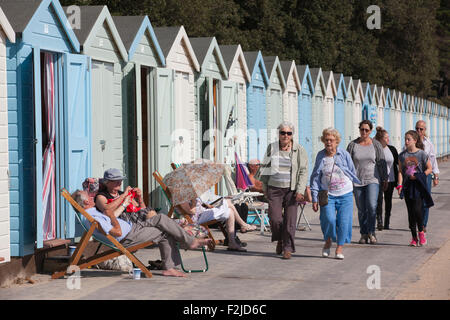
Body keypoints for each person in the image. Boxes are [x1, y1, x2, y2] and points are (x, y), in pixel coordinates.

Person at [72, 190, 211, 278]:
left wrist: (123, 204)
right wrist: (111, 215)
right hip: (128, 237)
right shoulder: (92, 217)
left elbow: (111, 217)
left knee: (161, 218)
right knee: (163, 231)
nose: (91, 196)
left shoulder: (92, 213)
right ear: (86, 201)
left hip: (133, 228)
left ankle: (186, 245)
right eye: (88, 195)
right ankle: (180, 254)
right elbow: (116, 232)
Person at [255, 121, 308, 260]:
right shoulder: (272, 148)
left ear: (292, 135)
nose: (285, 135)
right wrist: (265, 188)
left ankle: (287, 248)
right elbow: (265, 167)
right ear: (278, 134)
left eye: (288, 133)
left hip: (292, 190)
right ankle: (279, 239)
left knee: (290, 221)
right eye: (282, 132)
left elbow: (303, 171)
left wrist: (300, 190)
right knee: (275, 219)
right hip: (274, 188)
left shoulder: (299, 149)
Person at [310, 128, 361, 260]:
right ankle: (328, 240)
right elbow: (315, 177)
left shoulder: (344, 154)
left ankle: (339, 247)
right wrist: (314, 198)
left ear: (336, 141)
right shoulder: (321, 156)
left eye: (331, 140)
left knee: (344, 222)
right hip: (328, 195)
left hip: (345, 194)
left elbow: (351, 171)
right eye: (326, 140)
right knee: (329, 219)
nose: (328, 143)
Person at [347, 120, 388, 245]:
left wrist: (385, 179)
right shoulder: (353, 145)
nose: (364, 132)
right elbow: (346, 162)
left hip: (373, 179)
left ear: (370, 131)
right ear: (359, 130)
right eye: (362, 129)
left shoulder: (376, 145)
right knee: (361, 209)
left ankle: (372, 232)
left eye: (366, 130)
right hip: (357, 180)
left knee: (371, 205)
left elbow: (382, 162)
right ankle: (364, 234)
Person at [178, 197, 256, 252]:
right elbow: (191, 211)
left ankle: (232, 242)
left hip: (203, 213)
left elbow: (201, 206)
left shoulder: (189, 193)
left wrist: (207, 204)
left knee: (229, 210)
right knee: (227, 203)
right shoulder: (180, 196)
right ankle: (243, 225)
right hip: (197, 218)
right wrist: (194, 200)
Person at [397, 130, 433, 246]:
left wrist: (420, 175)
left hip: (418, 186)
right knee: (410, 212)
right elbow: (401, 172)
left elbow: (429, 168)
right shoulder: (402, 155)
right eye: (405, 139)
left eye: (408, 139)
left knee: (418, 210)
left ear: (415, 141)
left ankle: (421, 232)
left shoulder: (421, 154)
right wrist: (400, 185)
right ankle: (414, 237)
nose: (406, 141)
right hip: (407, 186)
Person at [415, 120, 440, 232]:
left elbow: (433, 160)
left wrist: (436, 176)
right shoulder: (411, 141)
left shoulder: (428, 144)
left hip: (426, 174)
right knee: (415, 200)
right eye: (417, 128)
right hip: (414, 174)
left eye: (421, 129)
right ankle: (417, 221)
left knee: (425, 199)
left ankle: (423, 224)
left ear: (425, 130)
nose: (419, 131)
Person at [374, 127, 399, 230]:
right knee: (378, 200)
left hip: (391, 179)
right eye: (386, 137)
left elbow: (397, 164)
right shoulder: (375, 149)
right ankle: (379, 220)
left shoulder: (392, 149)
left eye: (388, 137)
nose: (388, 139)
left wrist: (399, 180)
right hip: (378, 179)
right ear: (380, 139)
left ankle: (387, 221)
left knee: (388, 201)